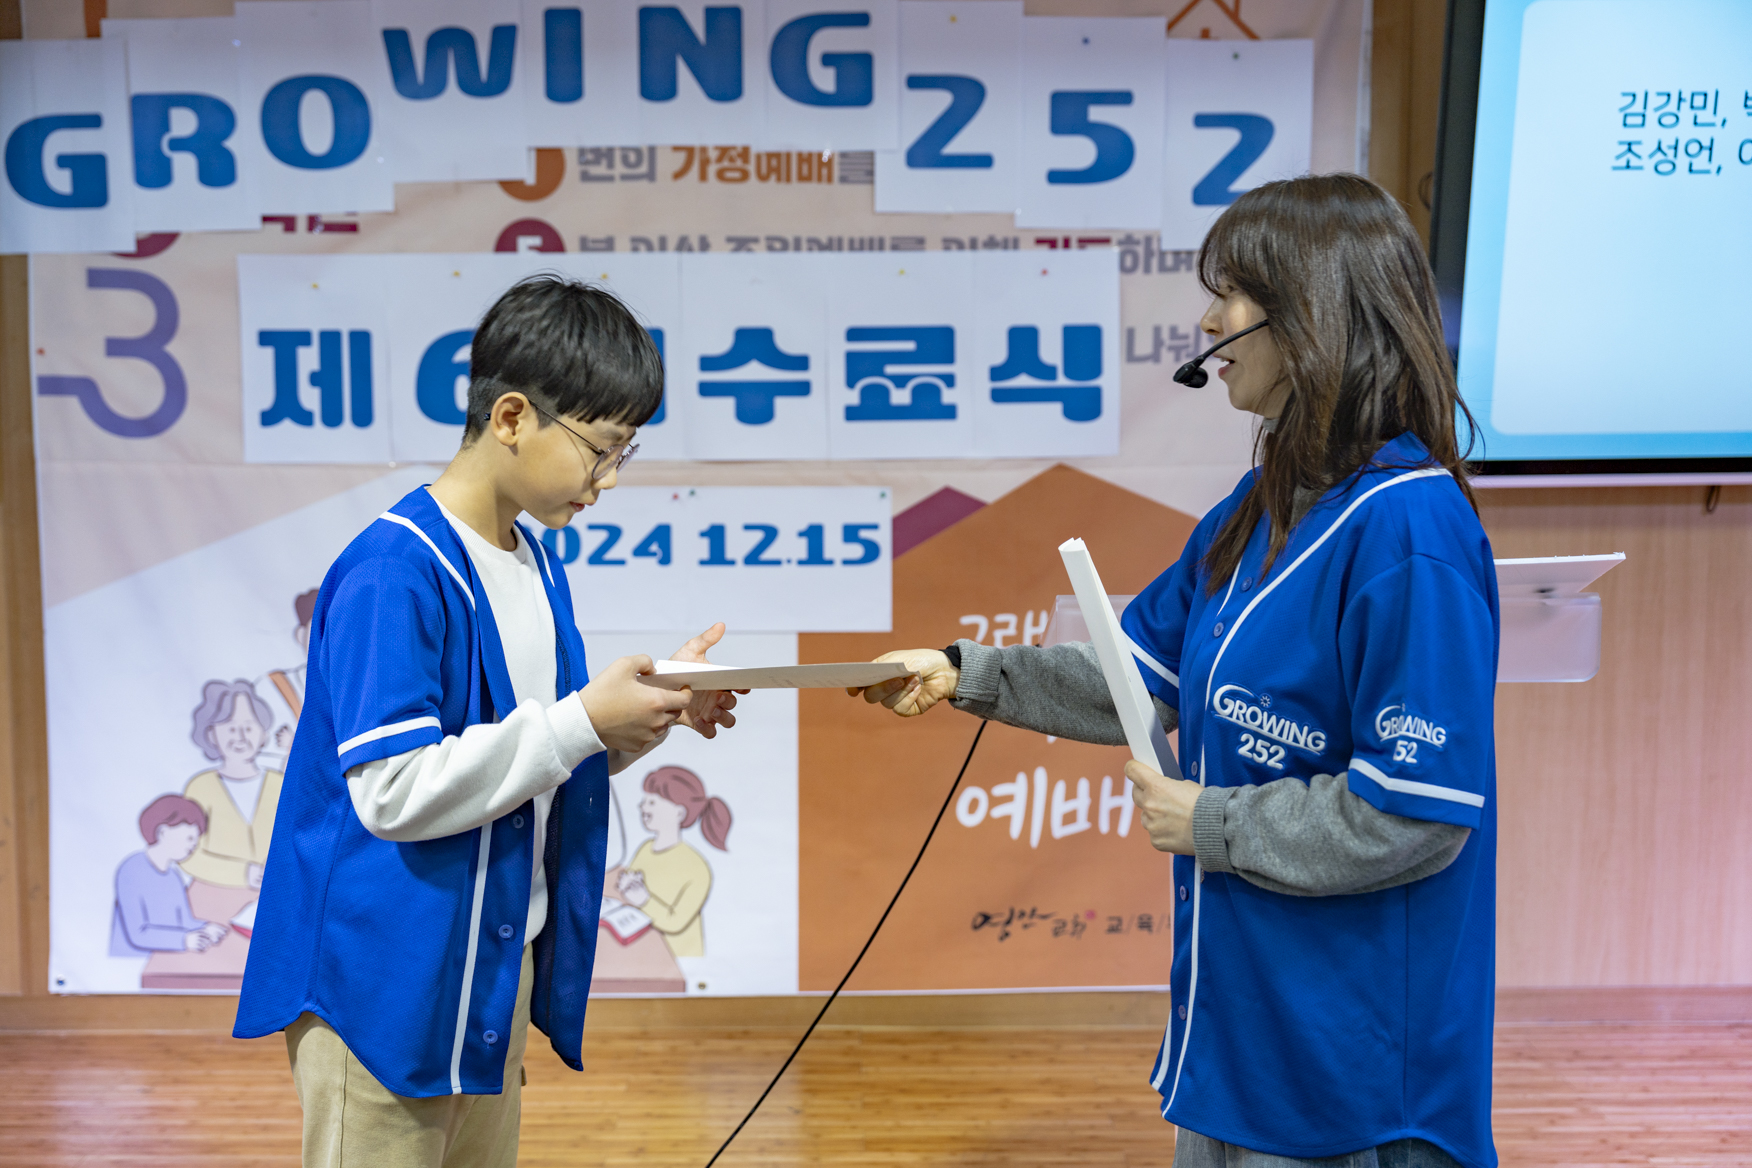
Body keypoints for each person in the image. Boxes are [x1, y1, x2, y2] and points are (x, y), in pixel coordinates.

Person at [853, 175, 1498, 1168]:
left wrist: (1212, 823)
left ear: (1314, 312)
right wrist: (960, 671)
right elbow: (1133, 676)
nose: (1208, 322)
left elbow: (1413, 816)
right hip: (1243, 1050)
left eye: (1231, 295)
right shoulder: (1260, 507)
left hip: (1357, 1081)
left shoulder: (1412, 529)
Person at [233, 276, 742, 1168]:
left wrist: (633, 723)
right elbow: (394, 792)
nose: (607, 481)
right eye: (600, 449)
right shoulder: (395, 570)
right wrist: (583, 722)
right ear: (511, 417)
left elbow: (525, 762)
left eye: (625, 453)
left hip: (486, 975)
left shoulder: (534, 560)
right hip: (381, 983)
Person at [615, 765, 732, 957]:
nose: (642, 807)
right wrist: (626, 884)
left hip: (676, 958)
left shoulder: (697, 867)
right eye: (644, 801)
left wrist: (644, 900)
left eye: (652, 802)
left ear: (679, 813)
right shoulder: (646, 848)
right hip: (641, 947)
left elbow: (675, 922)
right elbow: (630, 880)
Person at [180, 679, 283, 890]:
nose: (240, 737)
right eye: (231, 728)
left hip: (276, 895)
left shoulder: (280, 783)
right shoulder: (199, 787)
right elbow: (187, 853)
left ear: (263, 734)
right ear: (211, 734)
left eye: (248, 727)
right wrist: (243, 873)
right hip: (215, 897)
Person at [110, 794, 229, 957]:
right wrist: (184, 940)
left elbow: (184, 921)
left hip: (165, 957)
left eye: (196, 839)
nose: (194, 845)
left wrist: (206, 927)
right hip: (132, 961)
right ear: (163, 832)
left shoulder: (173, 876)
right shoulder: (131, 869)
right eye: (189, 838)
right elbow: (138, 933)